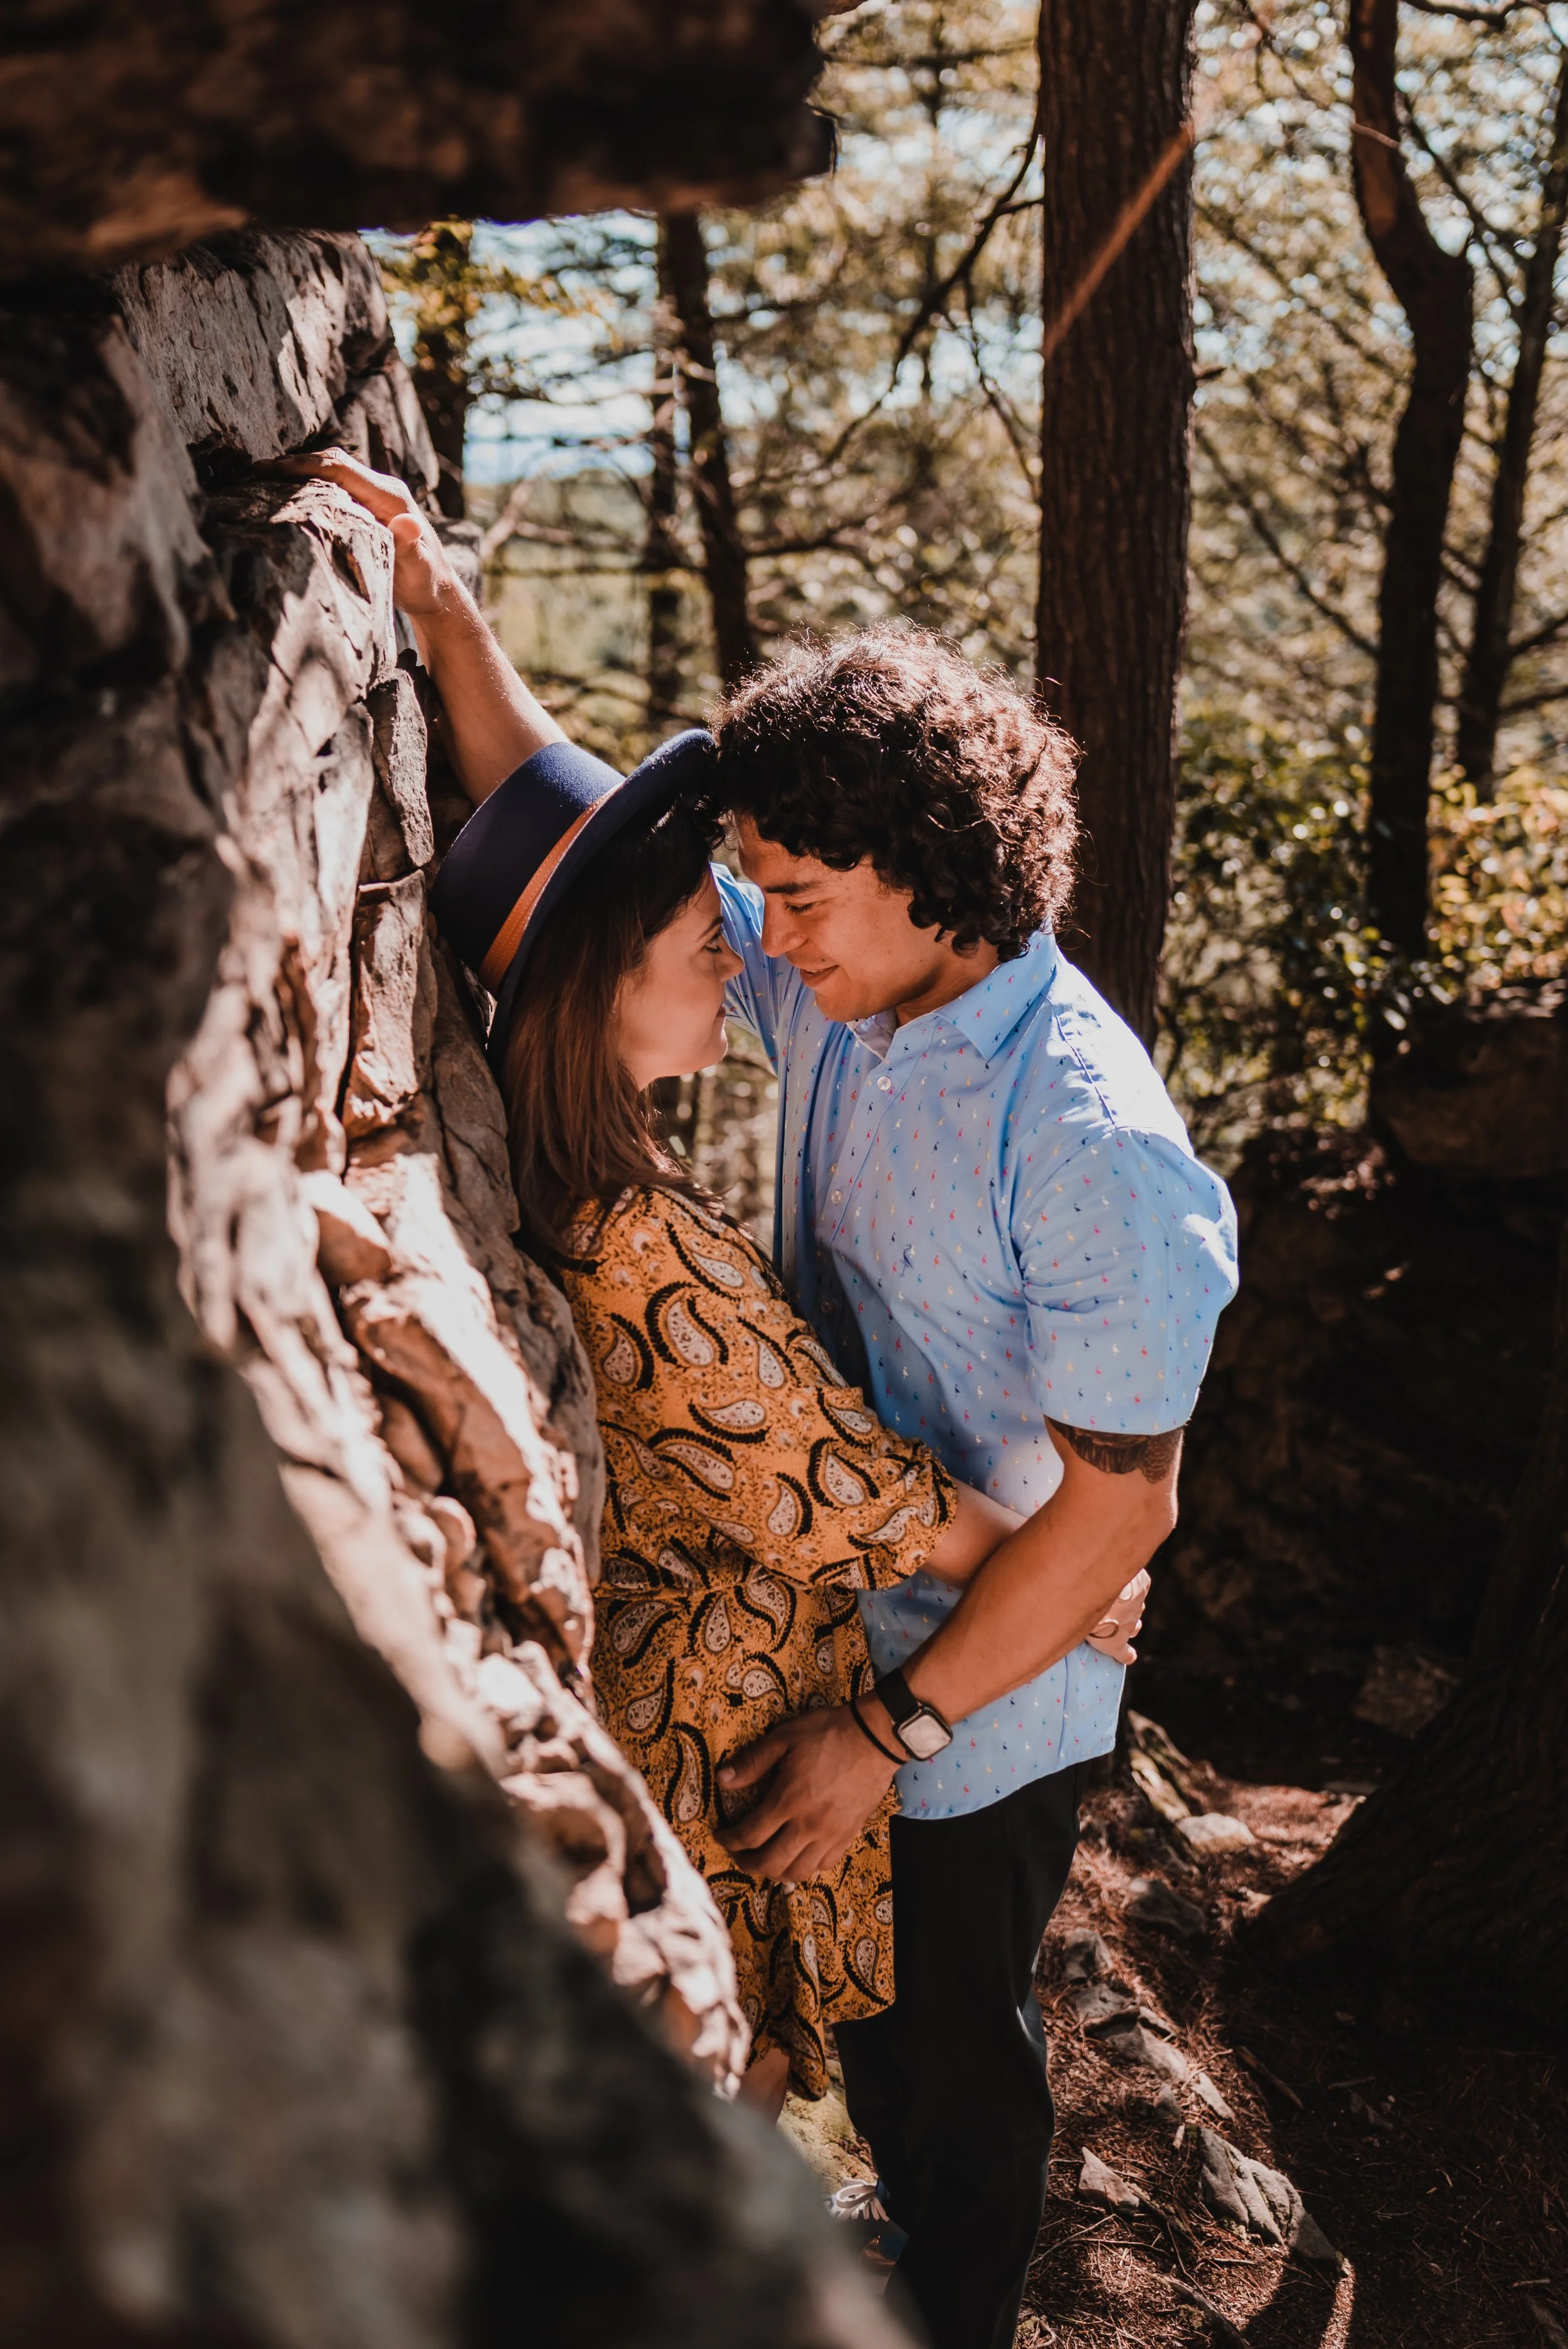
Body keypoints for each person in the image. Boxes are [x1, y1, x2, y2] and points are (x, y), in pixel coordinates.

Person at [278, 451, 1148, 2132]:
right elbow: (851, 1486)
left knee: (882, 2094)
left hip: (849, 1709)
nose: (746, 951)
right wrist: (1075, 1575)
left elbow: (559, 842)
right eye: (705, 941)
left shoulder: (627, 1155)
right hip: (741, 1755)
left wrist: (450, 622)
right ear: (608, 986)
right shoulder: (646, 1246)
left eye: (758, 918)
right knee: (756, 2109)